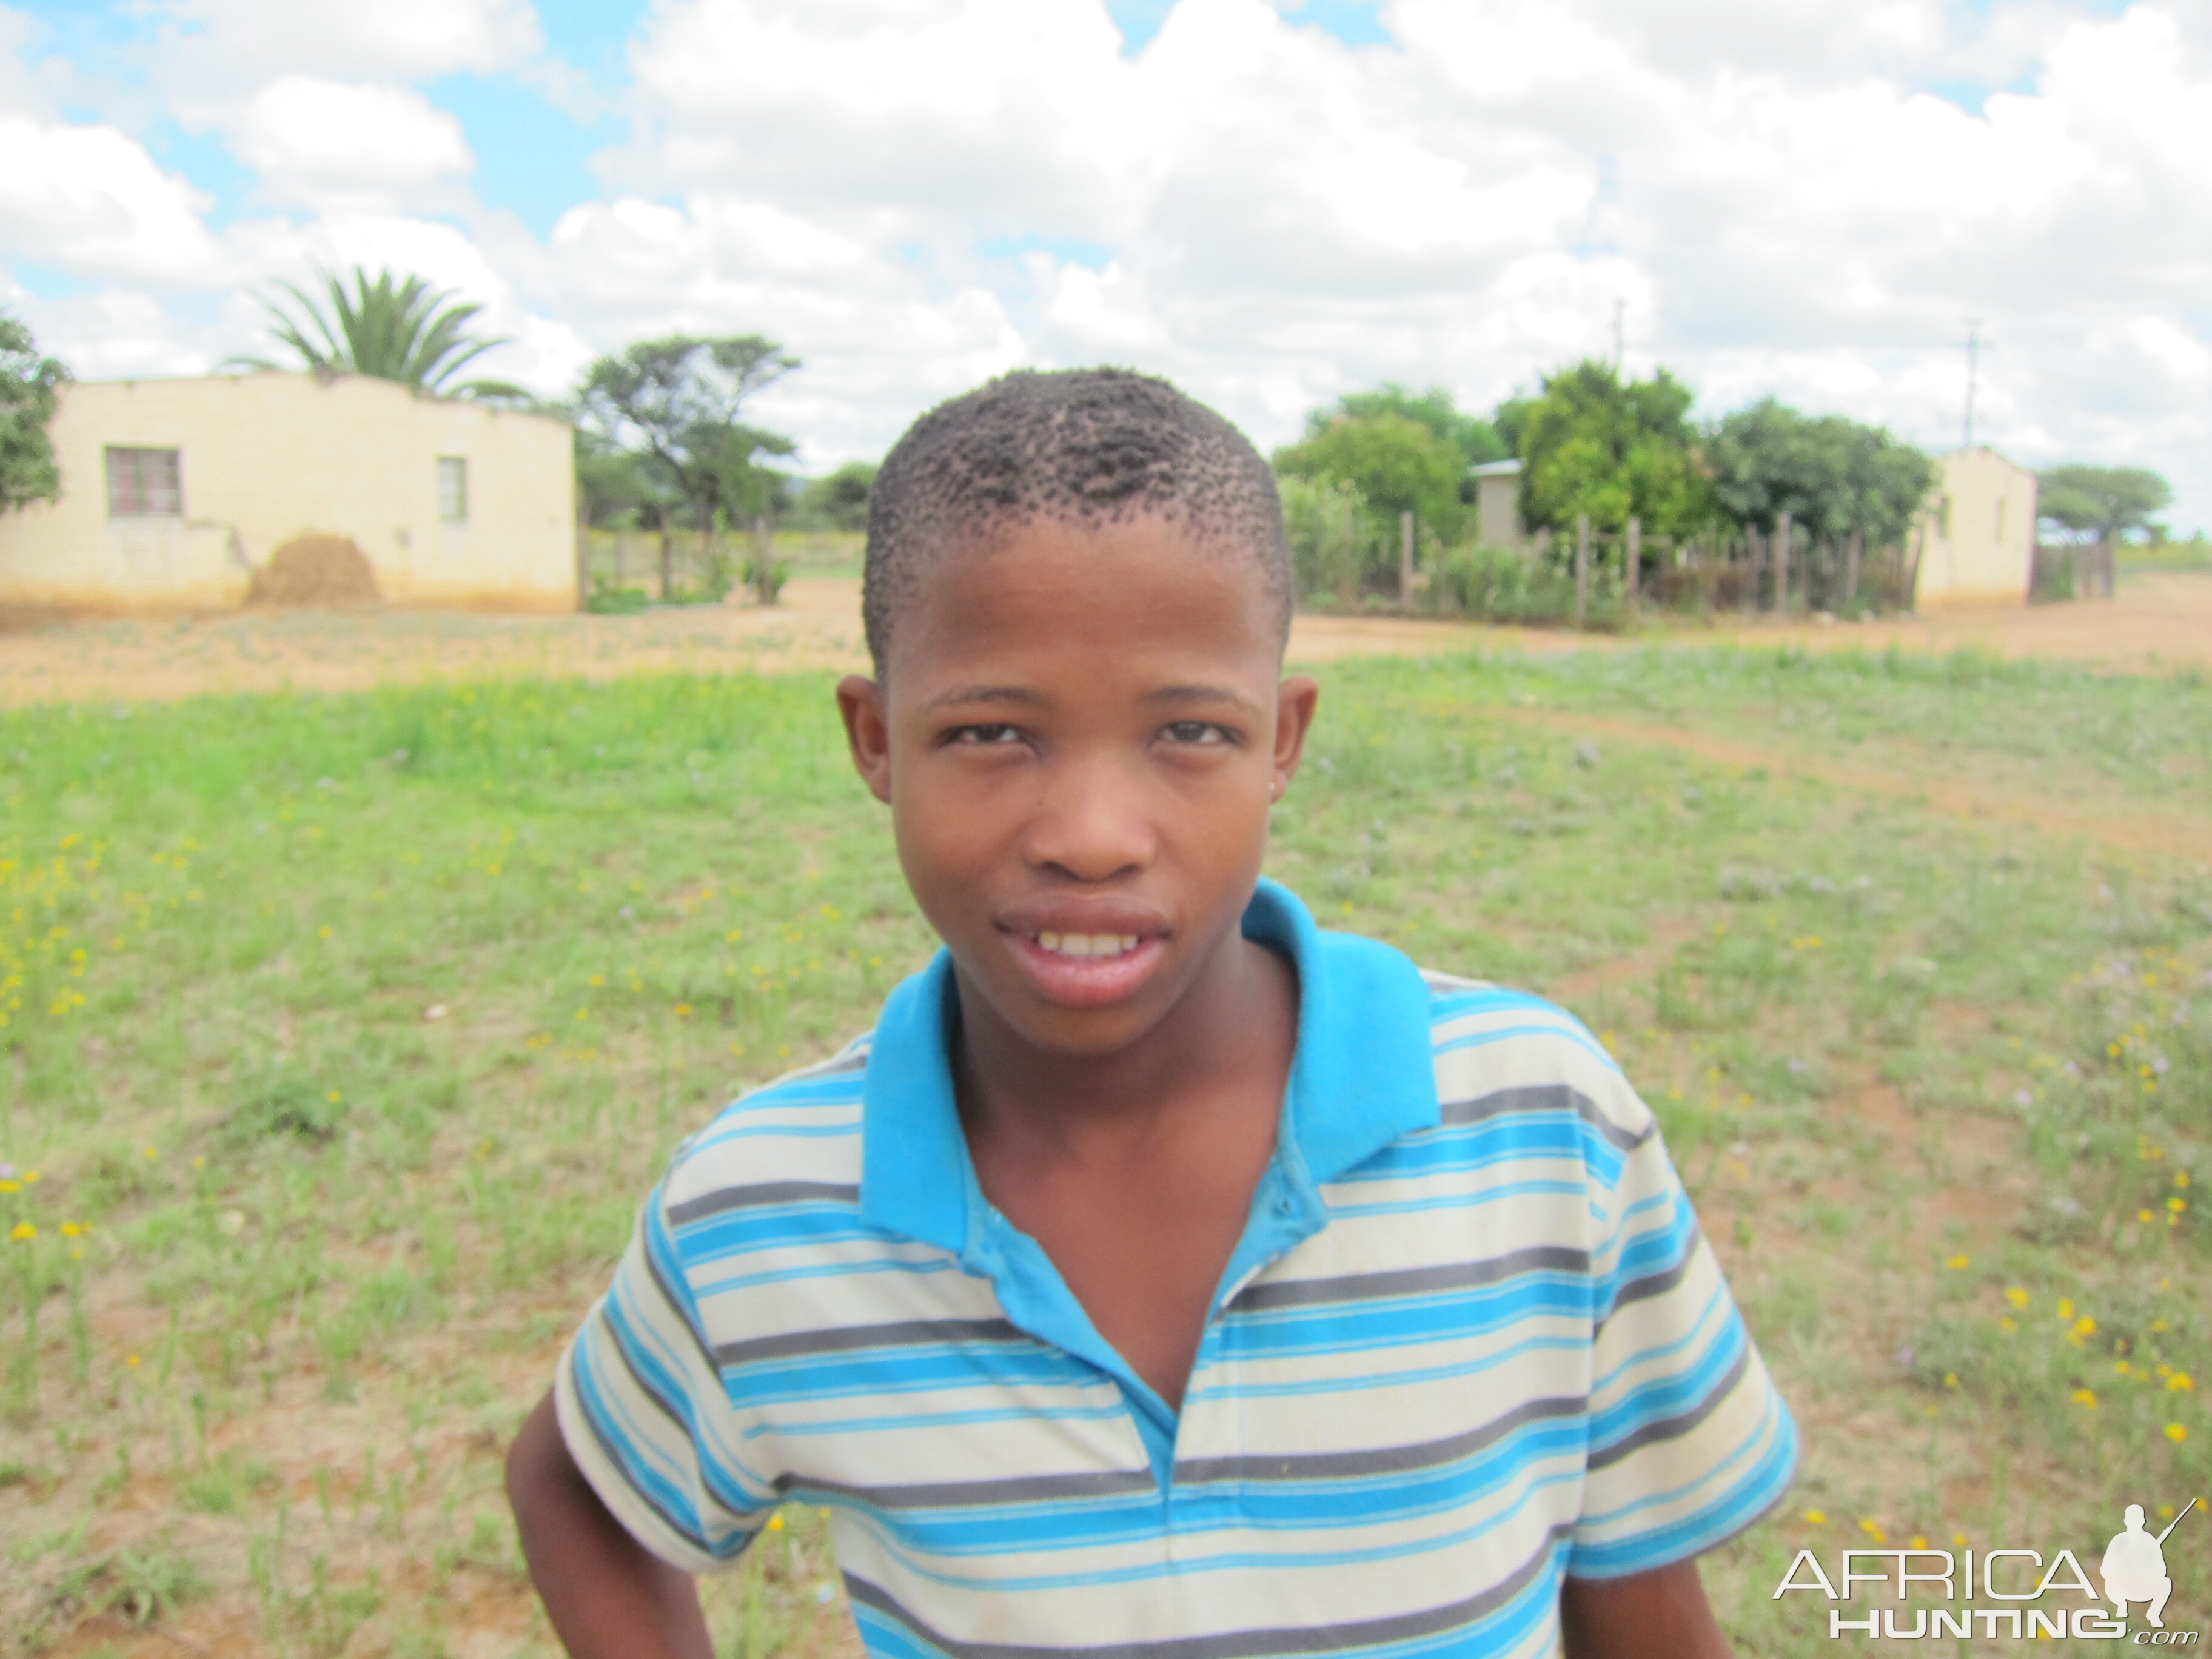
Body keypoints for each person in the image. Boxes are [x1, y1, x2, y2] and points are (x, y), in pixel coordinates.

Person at [506, 368, 1798, 1659]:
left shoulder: (1540, 1127)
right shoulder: (766, 1208)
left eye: (1189, 730)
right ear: (874, 740)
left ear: (1281, 742)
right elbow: (577, 1493)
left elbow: (1643, 1600)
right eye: (992, 735)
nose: (1093, 839)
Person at [2100, 1505, 2172, 1627]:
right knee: (2109, 1582)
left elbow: (2162, 1570)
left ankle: (2154, 1614)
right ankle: (2121, 1606)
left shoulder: (2150, 1541)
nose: (2134, 1524)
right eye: (2132, 1520)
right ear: (2126, 1522)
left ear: (2143, 1522)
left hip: (2144, 1588)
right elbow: (2105, 1570)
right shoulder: (2118, 1541)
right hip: (2121, 1588)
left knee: (2166, 1583)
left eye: (2137, 1520)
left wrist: (2146, 1567)